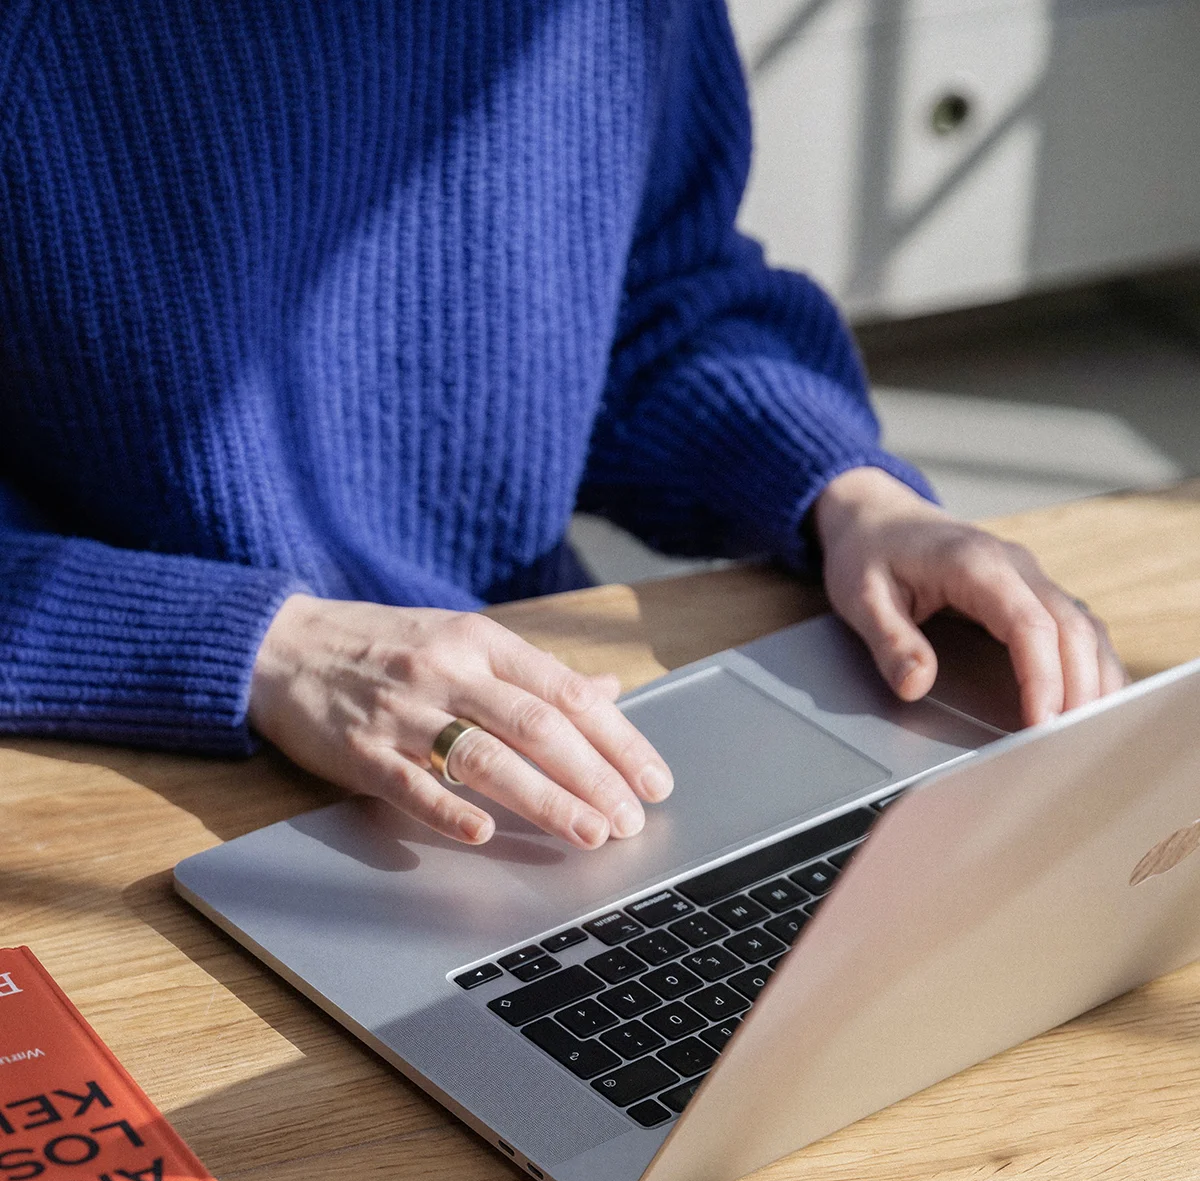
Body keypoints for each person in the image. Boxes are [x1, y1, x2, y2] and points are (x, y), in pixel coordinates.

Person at [0, 2, 1123, 853]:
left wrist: (852, 496)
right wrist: (262, 649)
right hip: (125, 753)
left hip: (521, 714)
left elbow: (651, 294)